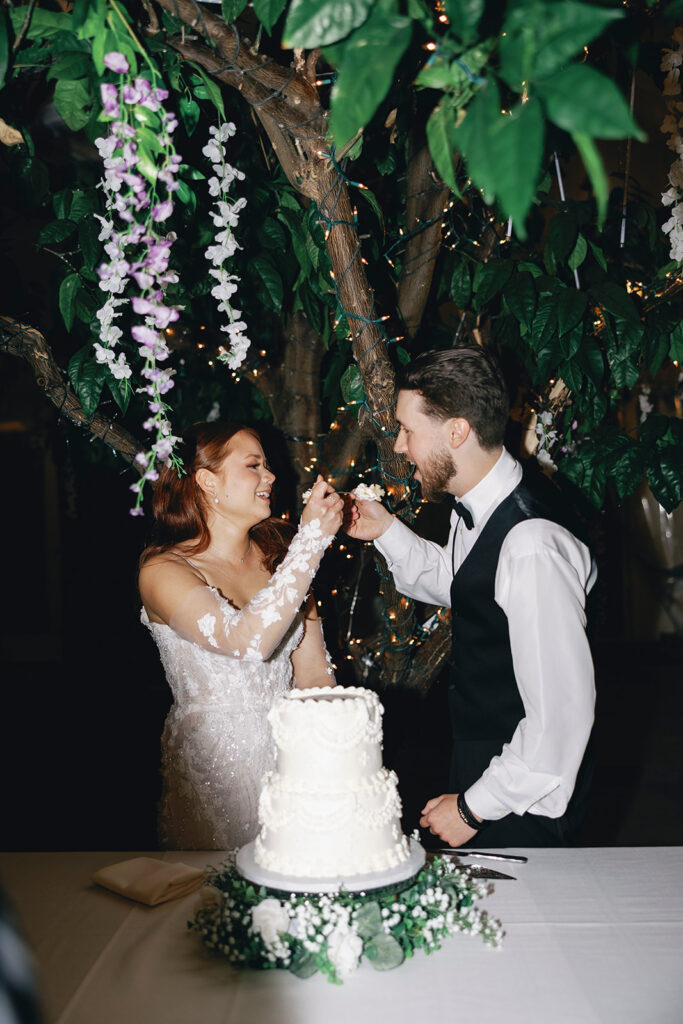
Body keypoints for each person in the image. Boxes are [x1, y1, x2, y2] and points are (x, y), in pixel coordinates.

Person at [346, 346, 596, 848]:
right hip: (490, 757)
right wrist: (386, 530)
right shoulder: (482, 499)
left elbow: (560, 715)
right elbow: (460, 581)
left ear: (456, 431)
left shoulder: (531, 547)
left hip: (526, 787)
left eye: (408, 430)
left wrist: (472, 808)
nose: (399, 446)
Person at [138, 421, 343, 850]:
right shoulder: (164, 571)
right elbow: (248, 642)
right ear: (207, 482)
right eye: (255, 466)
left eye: (267, 467)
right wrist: (311, 543)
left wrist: (337, 768)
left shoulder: (280, 563)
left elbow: (315, 680)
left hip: (293, 769)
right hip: (214, 772)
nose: (270, 477)